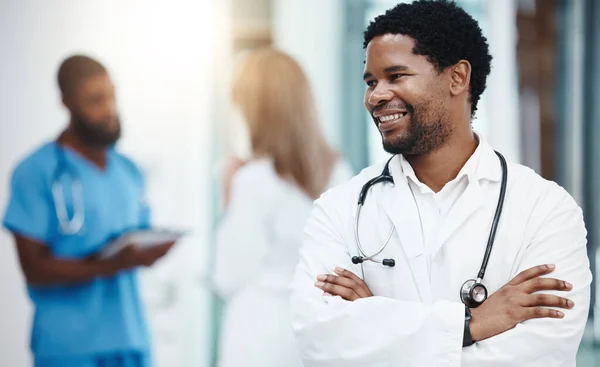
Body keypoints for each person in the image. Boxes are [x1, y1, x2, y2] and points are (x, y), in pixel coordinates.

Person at [289, 1, 592, 366]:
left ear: (457, 78)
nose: (376, 96)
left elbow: (541, 354)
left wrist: (378, 326)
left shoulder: (546, 210)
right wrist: (471, 325)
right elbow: (319, 339)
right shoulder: (339, 209)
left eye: (396, 76)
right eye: (371, 81)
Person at [3, 55, 174, 367]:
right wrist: (114, 263)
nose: (109, 109)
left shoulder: (128, 171)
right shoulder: (37, 172)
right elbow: (35, 269)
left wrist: (151, 249)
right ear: (67, 103)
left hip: (131, 340)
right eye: (96, 101)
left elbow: (138, 240)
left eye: (111, 96)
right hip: (69, 347)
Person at [212, 48, 353, 367]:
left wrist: (228, 195)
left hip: (258, 334)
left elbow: (227, 276)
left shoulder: (251, 179)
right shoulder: (339, 170)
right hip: (317, 333)